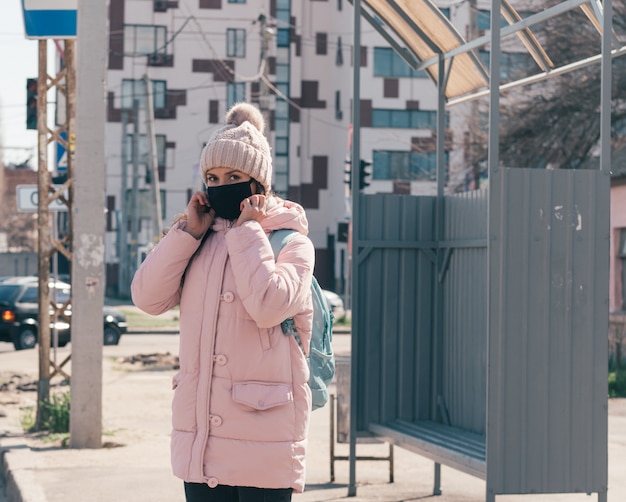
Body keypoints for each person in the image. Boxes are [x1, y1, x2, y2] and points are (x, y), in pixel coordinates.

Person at [131, 102, 314, 502]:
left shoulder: (291, 242)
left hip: (264, 442)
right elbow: (147, 298)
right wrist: (186, 235)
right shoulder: (199, 243)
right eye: (213, 177)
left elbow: (269, 305)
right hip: (202, 442)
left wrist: (248, 232)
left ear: (259, 184)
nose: (222, 185)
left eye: (234, 176)